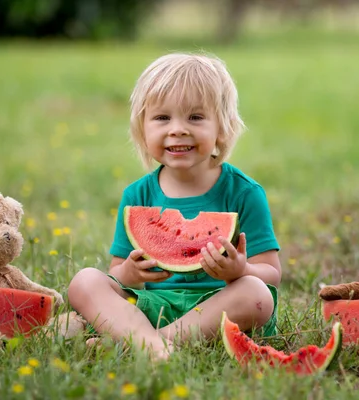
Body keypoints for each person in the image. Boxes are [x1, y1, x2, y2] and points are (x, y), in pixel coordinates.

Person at [68, 52, 281, 360]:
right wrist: (130, 272)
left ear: (222, 128)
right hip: (153, 307)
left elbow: (272, 274)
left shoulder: (245, 193)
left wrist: (242, 270)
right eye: (162, 118)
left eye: (195, 117)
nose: (178, 129)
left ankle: (145, 344)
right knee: (85, 280)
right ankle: (153, 343)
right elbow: (116, 273)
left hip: (221, 306)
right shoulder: (136, 196)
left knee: (257, 293)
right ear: (143, 130)